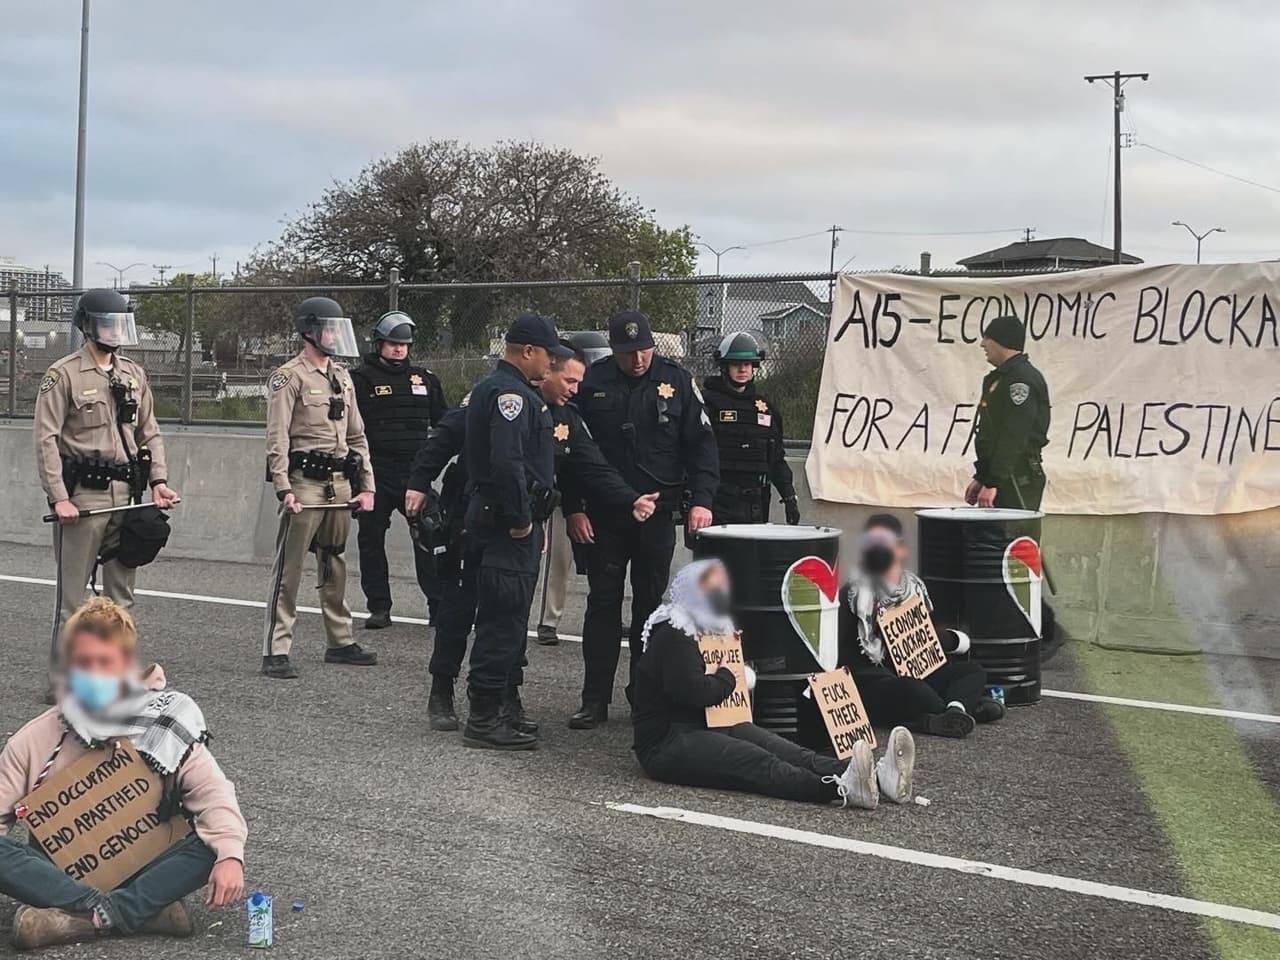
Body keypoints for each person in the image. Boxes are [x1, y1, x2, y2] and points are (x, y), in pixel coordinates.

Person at [407, 342, 657, 735]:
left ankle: (507, 695)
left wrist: (630, 500)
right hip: (472, 517)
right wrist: (419, 483)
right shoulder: (497, 398)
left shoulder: (564, 418)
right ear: (547, 370)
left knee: (511, 611)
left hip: (518, 524)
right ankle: (442, 689)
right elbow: (443, 437)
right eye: (570, 380)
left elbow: (592, 465)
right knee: (460, 606)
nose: (576, 388)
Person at [0, 598, 246, 950]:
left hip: (146, 865)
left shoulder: (165, 721)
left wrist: (231, 856)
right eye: (84, 663)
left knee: (216, 842)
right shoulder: (33, 739)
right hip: (61, 878)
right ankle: (134, 911)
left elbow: (215, 795)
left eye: (106, 663)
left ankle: (82, 919)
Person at [633, 559, 916, 810]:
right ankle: (839, 787)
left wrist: (733, 667)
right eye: (712, 588)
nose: (720, 594)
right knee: (757, 761)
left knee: (788, 751)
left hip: (713, 722)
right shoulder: (674, 634)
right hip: (669, 741)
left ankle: (875, 776)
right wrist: (730, 677)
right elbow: (695, 691)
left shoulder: (711, 629)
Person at [567, 309, 720, 729]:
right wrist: (573, 507)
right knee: (602, 605)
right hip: (604, 514)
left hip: (658, 513)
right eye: (627, 352)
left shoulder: (677, 381)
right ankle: (593, 700)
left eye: (643, 350)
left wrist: (701, 500)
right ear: (614, 350)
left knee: (651, 610)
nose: (637, 360)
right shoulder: (593, 382)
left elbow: (702, 446)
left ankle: (644, 698)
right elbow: (573, 452)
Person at [33, 289, 180, 673]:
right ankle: (63, 681)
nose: (114, 332)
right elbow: (46, 438)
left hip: (126, 496)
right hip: (83, 497)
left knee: (121, 596)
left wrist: (159, 481)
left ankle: (117, 675)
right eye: (106, 324)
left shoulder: (133, 374)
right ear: (86, 326)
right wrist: (59, 497)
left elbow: (149, 431)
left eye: (119, 324)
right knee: (73, 599)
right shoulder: (63, 374)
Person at [456, 313, 572, 750]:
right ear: (527, 351)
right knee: (502, 623)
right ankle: (485, 718)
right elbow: (507, 465)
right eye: (547, 354)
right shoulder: (511, 396)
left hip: (499, 521)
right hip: (506, 528)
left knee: (508, 619)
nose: (551, 363)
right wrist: (523, 518)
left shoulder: (502, 390)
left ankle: (503, 705)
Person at [262, 297, 377, 679]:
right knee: (289, 570)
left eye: (336, 329)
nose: (334, 335)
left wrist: (367, 486)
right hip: (305, 485)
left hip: (340, 485)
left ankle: (340, 641)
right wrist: (283, 488)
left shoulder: (342, 377)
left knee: (335, 562)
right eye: (328, 329)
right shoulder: (288, 377)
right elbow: (276, 437)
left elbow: (357, 435)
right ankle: (276, 649)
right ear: (309, 331)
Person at [839, 515, 1005, 737]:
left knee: (971, 671)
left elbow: (928, 639)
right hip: (878, 679)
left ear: (900, 549)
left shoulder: (914, 587)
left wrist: (950, 640)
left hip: (919, 673)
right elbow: (843, 654)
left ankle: (953, 712)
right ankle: (962, 709)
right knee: (912, 689)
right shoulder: (853, 594)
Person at [349, 311, 448, 629]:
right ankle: (379, 607)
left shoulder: (424, 379)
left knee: (431, 536)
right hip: (374, 472)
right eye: (392, 344)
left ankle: (438, 605)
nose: (398, 349)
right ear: (379, 343)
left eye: (403, 345)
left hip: (414, 473)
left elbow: (445, 424)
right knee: (371, 540)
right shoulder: (359, 379)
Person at [533, 331, 611, 646]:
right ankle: (547, 621)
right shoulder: (552, 401)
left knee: (590, 559)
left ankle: (604, 614)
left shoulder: (601, 401)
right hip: (557, 489)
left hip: (595, 486)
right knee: (555, 557)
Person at [701, 331, 800, 525]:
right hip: (716, 501)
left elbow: (776, 457)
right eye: (736, 365)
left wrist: (789, 496)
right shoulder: (706, 402)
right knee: (713, 556)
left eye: (747, 364)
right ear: (724, 366)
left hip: (754, 503)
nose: (742, 370)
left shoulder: (765, 408)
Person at [964, 315, 1050, 511]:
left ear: (1001, 340)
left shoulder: (1021, 380)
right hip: (1004, 476)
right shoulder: (1001, 378)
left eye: (987, 338)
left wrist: (993, 482)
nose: (982, 344)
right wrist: (982, 477)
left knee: (1014, 539)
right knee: (992, 540)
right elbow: (993, 434)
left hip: (1017, 477)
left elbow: (1014, 435)